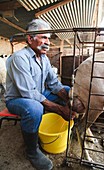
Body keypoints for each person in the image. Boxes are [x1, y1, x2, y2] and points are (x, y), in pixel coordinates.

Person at [4, 19, 76, 170]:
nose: (48, 42)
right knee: (35, 108)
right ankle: (32, 151)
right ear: (30, 38)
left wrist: (69, 97)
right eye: (44, 37)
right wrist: (59, 109)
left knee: (70, 91)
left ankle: (69, 123)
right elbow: (28, 92)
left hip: (38, 93)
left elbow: (54, 84)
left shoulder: (44, 59)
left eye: (49, 38)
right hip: (18, 99)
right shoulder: (20, 58)